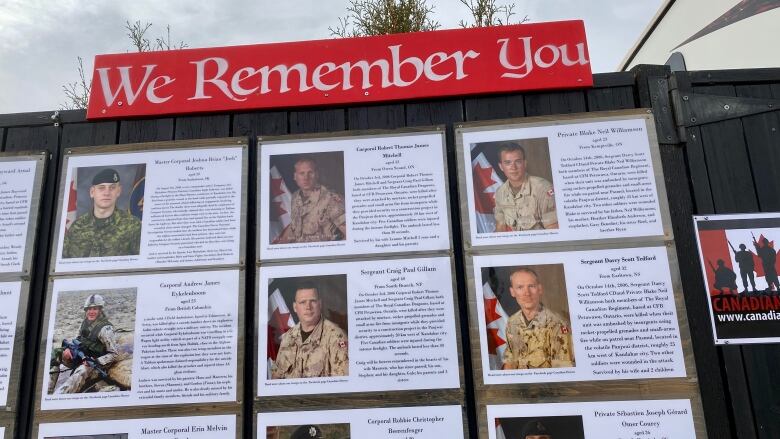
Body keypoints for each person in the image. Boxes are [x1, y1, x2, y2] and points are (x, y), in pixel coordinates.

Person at [271, 283, 349, 379]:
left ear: (320, 304)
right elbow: (275, 379)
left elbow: (342, 385)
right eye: (303, 302)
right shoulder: (287, 337)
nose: (308, 307)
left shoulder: (337, 337)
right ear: (295, 307)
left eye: (313, 301)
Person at [502, 267, 574, 369]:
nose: (527, 293)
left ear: (540, 289)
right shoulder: (512, 322)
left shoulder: (558, 324)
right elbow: (510, 360)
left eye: (531, 286)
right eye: (520, 287)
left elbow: (562, 372)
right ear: (512, 292)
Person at [62, 167, 142, 258]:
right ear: (92, 192)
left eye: (112, 188)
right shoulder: (77, 226)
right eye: (101, 188)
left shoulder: (133, 225)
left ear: (119, 191)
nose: (107, 193)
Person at [49, 294, 119, 394]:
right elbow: (77, 339)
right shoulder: (84, 323)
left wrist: (96, 361)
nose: (91, 312)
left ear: (100, 310)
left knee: (80, 372)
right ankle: (48, 390)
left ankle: (60, 396)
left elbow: (114, 354)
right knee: (55, 355)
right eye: (89, 309)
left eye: (95, 309)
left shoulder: (105, 329)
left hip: (95, 364)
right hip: (80, 356)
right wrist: (68, 349)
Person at [274, 157, 346, 244]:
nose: (306, 178)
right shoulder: (295, 197)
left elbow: (348, 234)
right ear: (295, 177)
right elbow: (294, 226)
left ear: (317, 175)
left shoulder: (331, 199)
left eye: (310, 172)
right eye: (302, 173)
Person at [493, 143, 557, 232]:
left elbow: (554, 231)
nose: (513, 167)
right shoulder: (500, 193)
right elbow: (500, 229)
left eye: (518, 161)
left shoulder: (543, 189)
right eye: (508, 163)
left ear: (525, 163)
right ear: (501, 166)